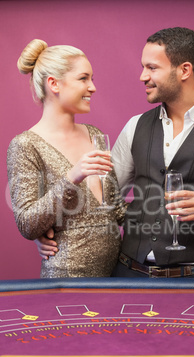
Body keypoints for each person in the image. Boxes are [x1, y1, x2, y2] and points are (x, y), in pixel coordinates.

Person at [35, 28, 194, 279]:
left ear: (184, 70)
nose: (142, 76)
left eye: (152, 68)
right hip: (126, 275)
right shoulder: (135, 126)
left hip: (192, 282)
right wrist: (52, 233)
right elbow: (102, 201)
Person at [7, 39, 125, 278]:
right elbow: (28, 224)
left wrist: (166, 210)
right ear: (54, 84)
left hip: (115, 278)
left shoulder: (94, 135)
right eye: (83, 78)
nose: (92, 87)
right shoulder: (25, 145)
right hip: (66, 283)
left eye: (91, 79)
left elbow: (116, 210)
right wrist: (72, 176)